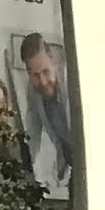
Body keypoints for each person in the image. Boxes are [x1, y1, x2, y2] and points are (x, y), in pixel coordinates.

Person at [15, 31, 76, 196]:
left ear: (53, 61)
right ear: (28, 72)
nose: (42, 81)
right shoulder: (33, 91)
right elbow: (32, 135)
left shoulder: (72, 84)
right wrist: (29, 173)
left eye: (46, 72)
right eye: (35, 75)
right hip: (72, 164)